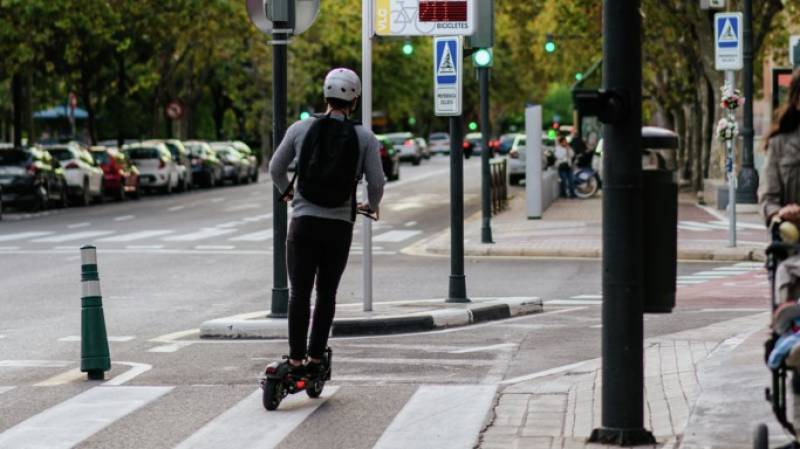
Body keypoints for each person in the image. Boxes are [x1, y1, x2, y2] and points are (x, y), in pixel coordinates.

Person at [269, 68, 385, 377]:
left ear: (325, 96)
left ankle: (294, 361)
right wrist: (370, 206)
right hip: (338, 228)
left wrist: (288, 192)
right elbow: (377, 182)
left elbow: (275, 168)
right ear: (354, 101)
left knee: (299, 294)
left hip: (303, 225)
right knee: (326, 294)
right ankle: (316, 360)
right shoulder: (364, 137)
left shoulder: (299, 129)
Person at [760, 68, 800, 306]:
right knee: (787, 273)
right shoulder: (779, 145)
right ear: (796, 100)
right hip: (793, 245)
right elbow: (768, 197)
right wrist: (779, 214)